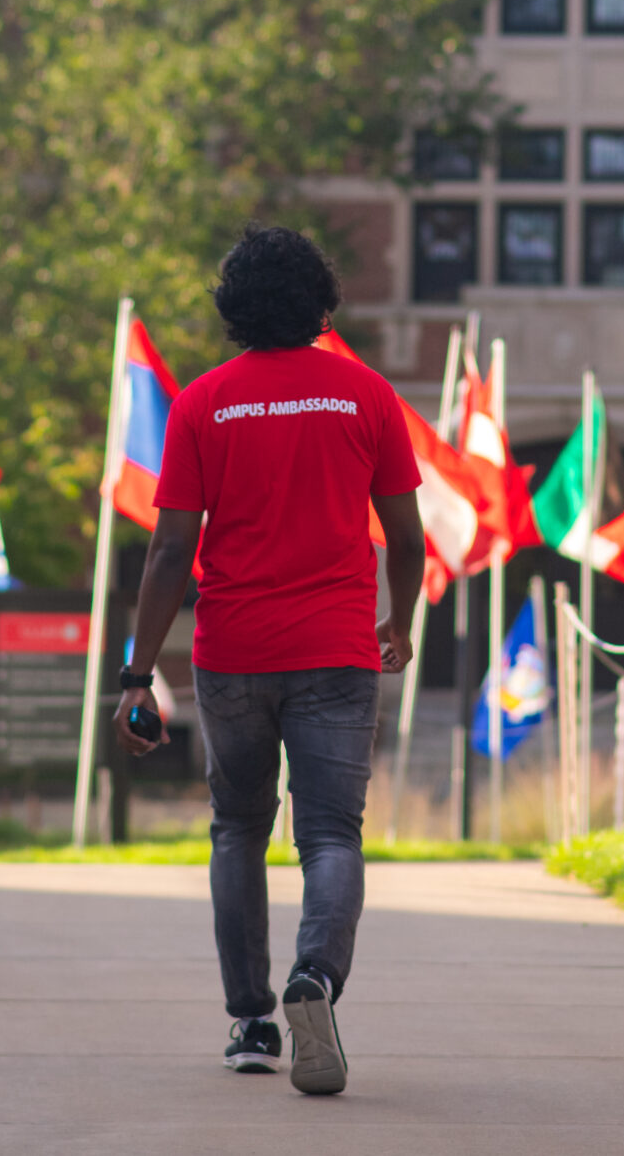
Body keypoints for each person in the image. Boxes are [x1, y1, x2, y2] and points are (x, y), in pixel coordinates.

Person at [115, 225, 425, 1097]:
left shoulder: (203, 403)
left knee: (237, 830)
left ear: (233, 308)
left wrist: (139, 675)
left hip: (234, 654)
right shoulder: (366, 396)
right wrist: (398, 619)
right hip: (336, 650)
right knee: (330, 832)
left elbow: (171, 551)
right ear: (323, 303)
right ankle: (314, 980)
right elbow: (407, 536)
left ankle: (251, 1021)